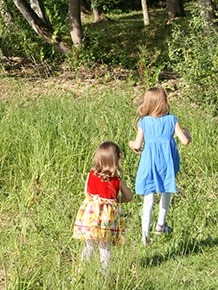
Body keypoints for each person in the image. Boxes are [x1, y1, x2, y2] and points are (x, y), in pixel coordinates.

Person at [128, 87, 191, 245]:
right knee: (166, 190)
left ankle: (145, 236)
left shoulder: (144, 122)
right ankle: (160, 224)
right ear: (164, 101)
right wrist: (188, 134)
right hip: (167, 163)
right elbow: (185, 141)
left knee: (148, 197)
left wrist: (130, 144)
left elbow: (137, 144)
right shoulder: (172, 120)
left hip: (149, 163)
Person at [73, 141, 133, 272]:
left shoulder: (91, 174)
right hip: (107, 219)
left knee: (89, 245)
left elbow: (87, 193)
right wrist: (113, 200)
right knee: (105, 247)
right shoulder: (117, 180)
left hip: (91, 217)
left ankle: (79, 272)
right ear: (117, 158)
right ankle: (104, 274)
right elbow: (129, 197)